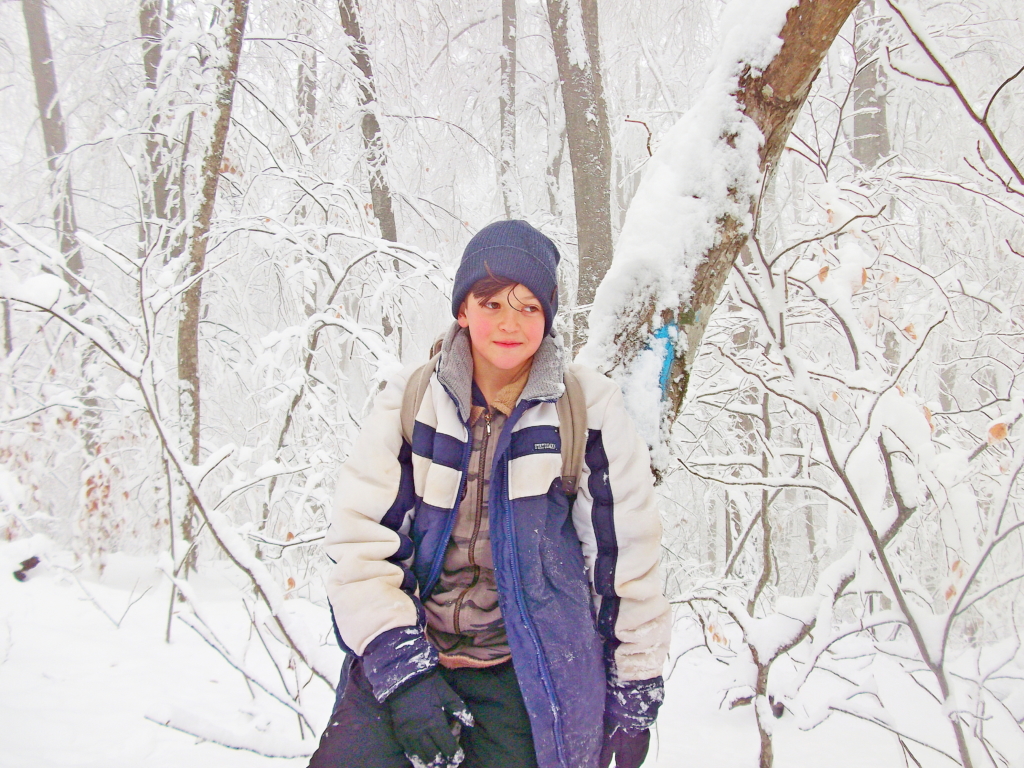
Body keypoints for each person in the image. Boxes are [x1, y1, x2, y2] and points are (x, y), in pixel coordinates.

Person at [309, 220, 671, 768]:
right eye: (492, 303)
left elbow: (626, 558)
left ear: (548, 317)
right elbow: (361, 543)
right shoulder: (411, 400)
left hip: (529, 672)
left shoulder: (586, 410)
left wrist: (634, 690)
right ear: (463, 310)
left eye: (529, 307)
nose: (510, 323)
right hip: (413, 647)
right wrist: (403, 673)